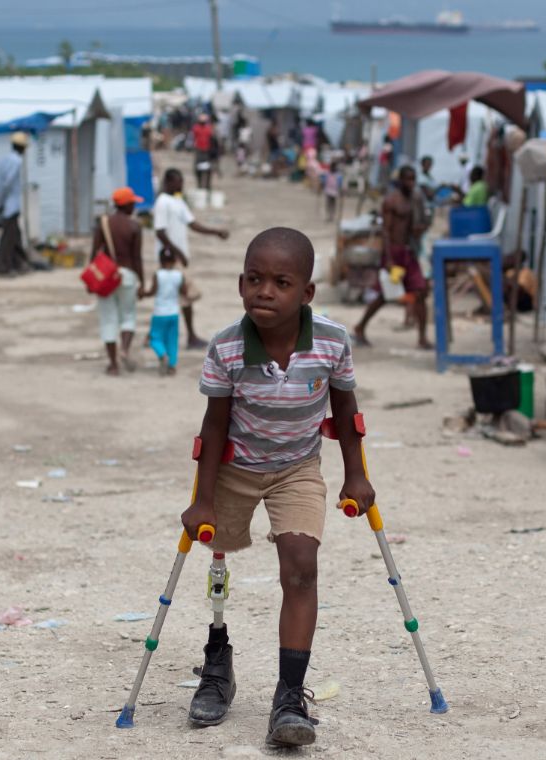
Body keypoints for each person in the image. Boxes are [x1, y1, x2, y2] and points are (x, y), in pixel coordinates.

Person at [182, 227, 375, 746]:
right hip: (235, 468)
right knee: (216, 555)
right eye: (253, 279)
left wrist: (356, 475)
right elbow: (214, 424)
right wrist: (202, 498)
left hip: (297, 469)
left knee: (301, 567)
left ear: (306, 293)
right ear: (240, 282)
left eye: (281, 282)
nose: (264, 291)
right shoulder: (225, 347)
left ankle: (290, 695)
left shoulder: (332, 341)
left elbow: (346, 410)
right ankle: (217, 663)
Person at [353, 165, 430, 349]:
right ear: (401, 180)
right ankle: (360, 327)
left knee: (420, 291)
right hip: (394, 253)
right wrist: (387, 258)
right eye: (407, 179)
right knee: (384, 295)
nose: (410, 183)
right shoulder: (391, 200)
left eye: (413, 179)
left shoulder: (414, 199)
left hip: (408, 251)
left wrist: (420, 229)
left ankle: (422, 338)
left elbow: (412, 228)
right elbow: (385, 231)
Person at [153, 168, 230, 349]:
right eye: (177, 182)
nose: (180, 185)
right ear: (168, 182)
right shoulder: (163, 203)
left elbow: (192, 223)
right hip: (170, 259)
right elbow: (160, 232)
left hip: (178, 256)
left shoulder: (178, 201)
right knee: (185, 295)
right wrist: (178, 253)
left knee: (169, 295)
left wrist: (215, 231)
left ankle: (154, 335)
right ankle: (191, 336)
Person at [91, 187, 145, 376]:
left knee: (108, 320)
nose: (134, 207)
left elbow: (94, 255)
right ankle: (124, 349)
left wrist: (92, 281)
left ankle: (113, 364)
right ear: (127, 204)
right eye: (133, 203)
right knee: (128, 316)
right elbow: (137, 258)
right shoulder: (134, 227)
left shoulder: (103, 224)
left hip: (107, 277)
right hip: (128, 276)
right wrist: (143, 283)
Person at [139, 247, 186, 376]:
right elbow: (184, 292)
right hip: (174, 313)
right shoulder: (179, 275)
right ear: (175, 260)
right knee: (172, 340)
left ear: (160, 260)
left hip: (159, 313)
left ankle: (162, 355)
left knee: (155, 338)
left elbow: (152, 292)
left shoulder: (158, 274)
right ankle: (172, 366)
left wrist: (143, 293)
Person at [0, 131, 32, 277]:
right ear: (21, 147)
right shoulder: (16, 162)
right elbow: (7, 183)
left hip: (10, 205)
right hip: (10, 206)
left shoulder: (5, 160)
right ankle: (3, 267)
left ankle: (19, 263)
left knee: (15, 236)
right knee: (8, 239)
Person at [192, 113, 215, 191]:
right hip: (199, 150)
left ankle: (207, 185)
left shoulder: (208, 129)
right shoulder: (196, 128)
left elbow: (211, 139)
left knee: (208, 169)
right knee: (198, 169)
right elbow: (194, 137)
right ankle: (199, 184)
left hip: (207, 151)